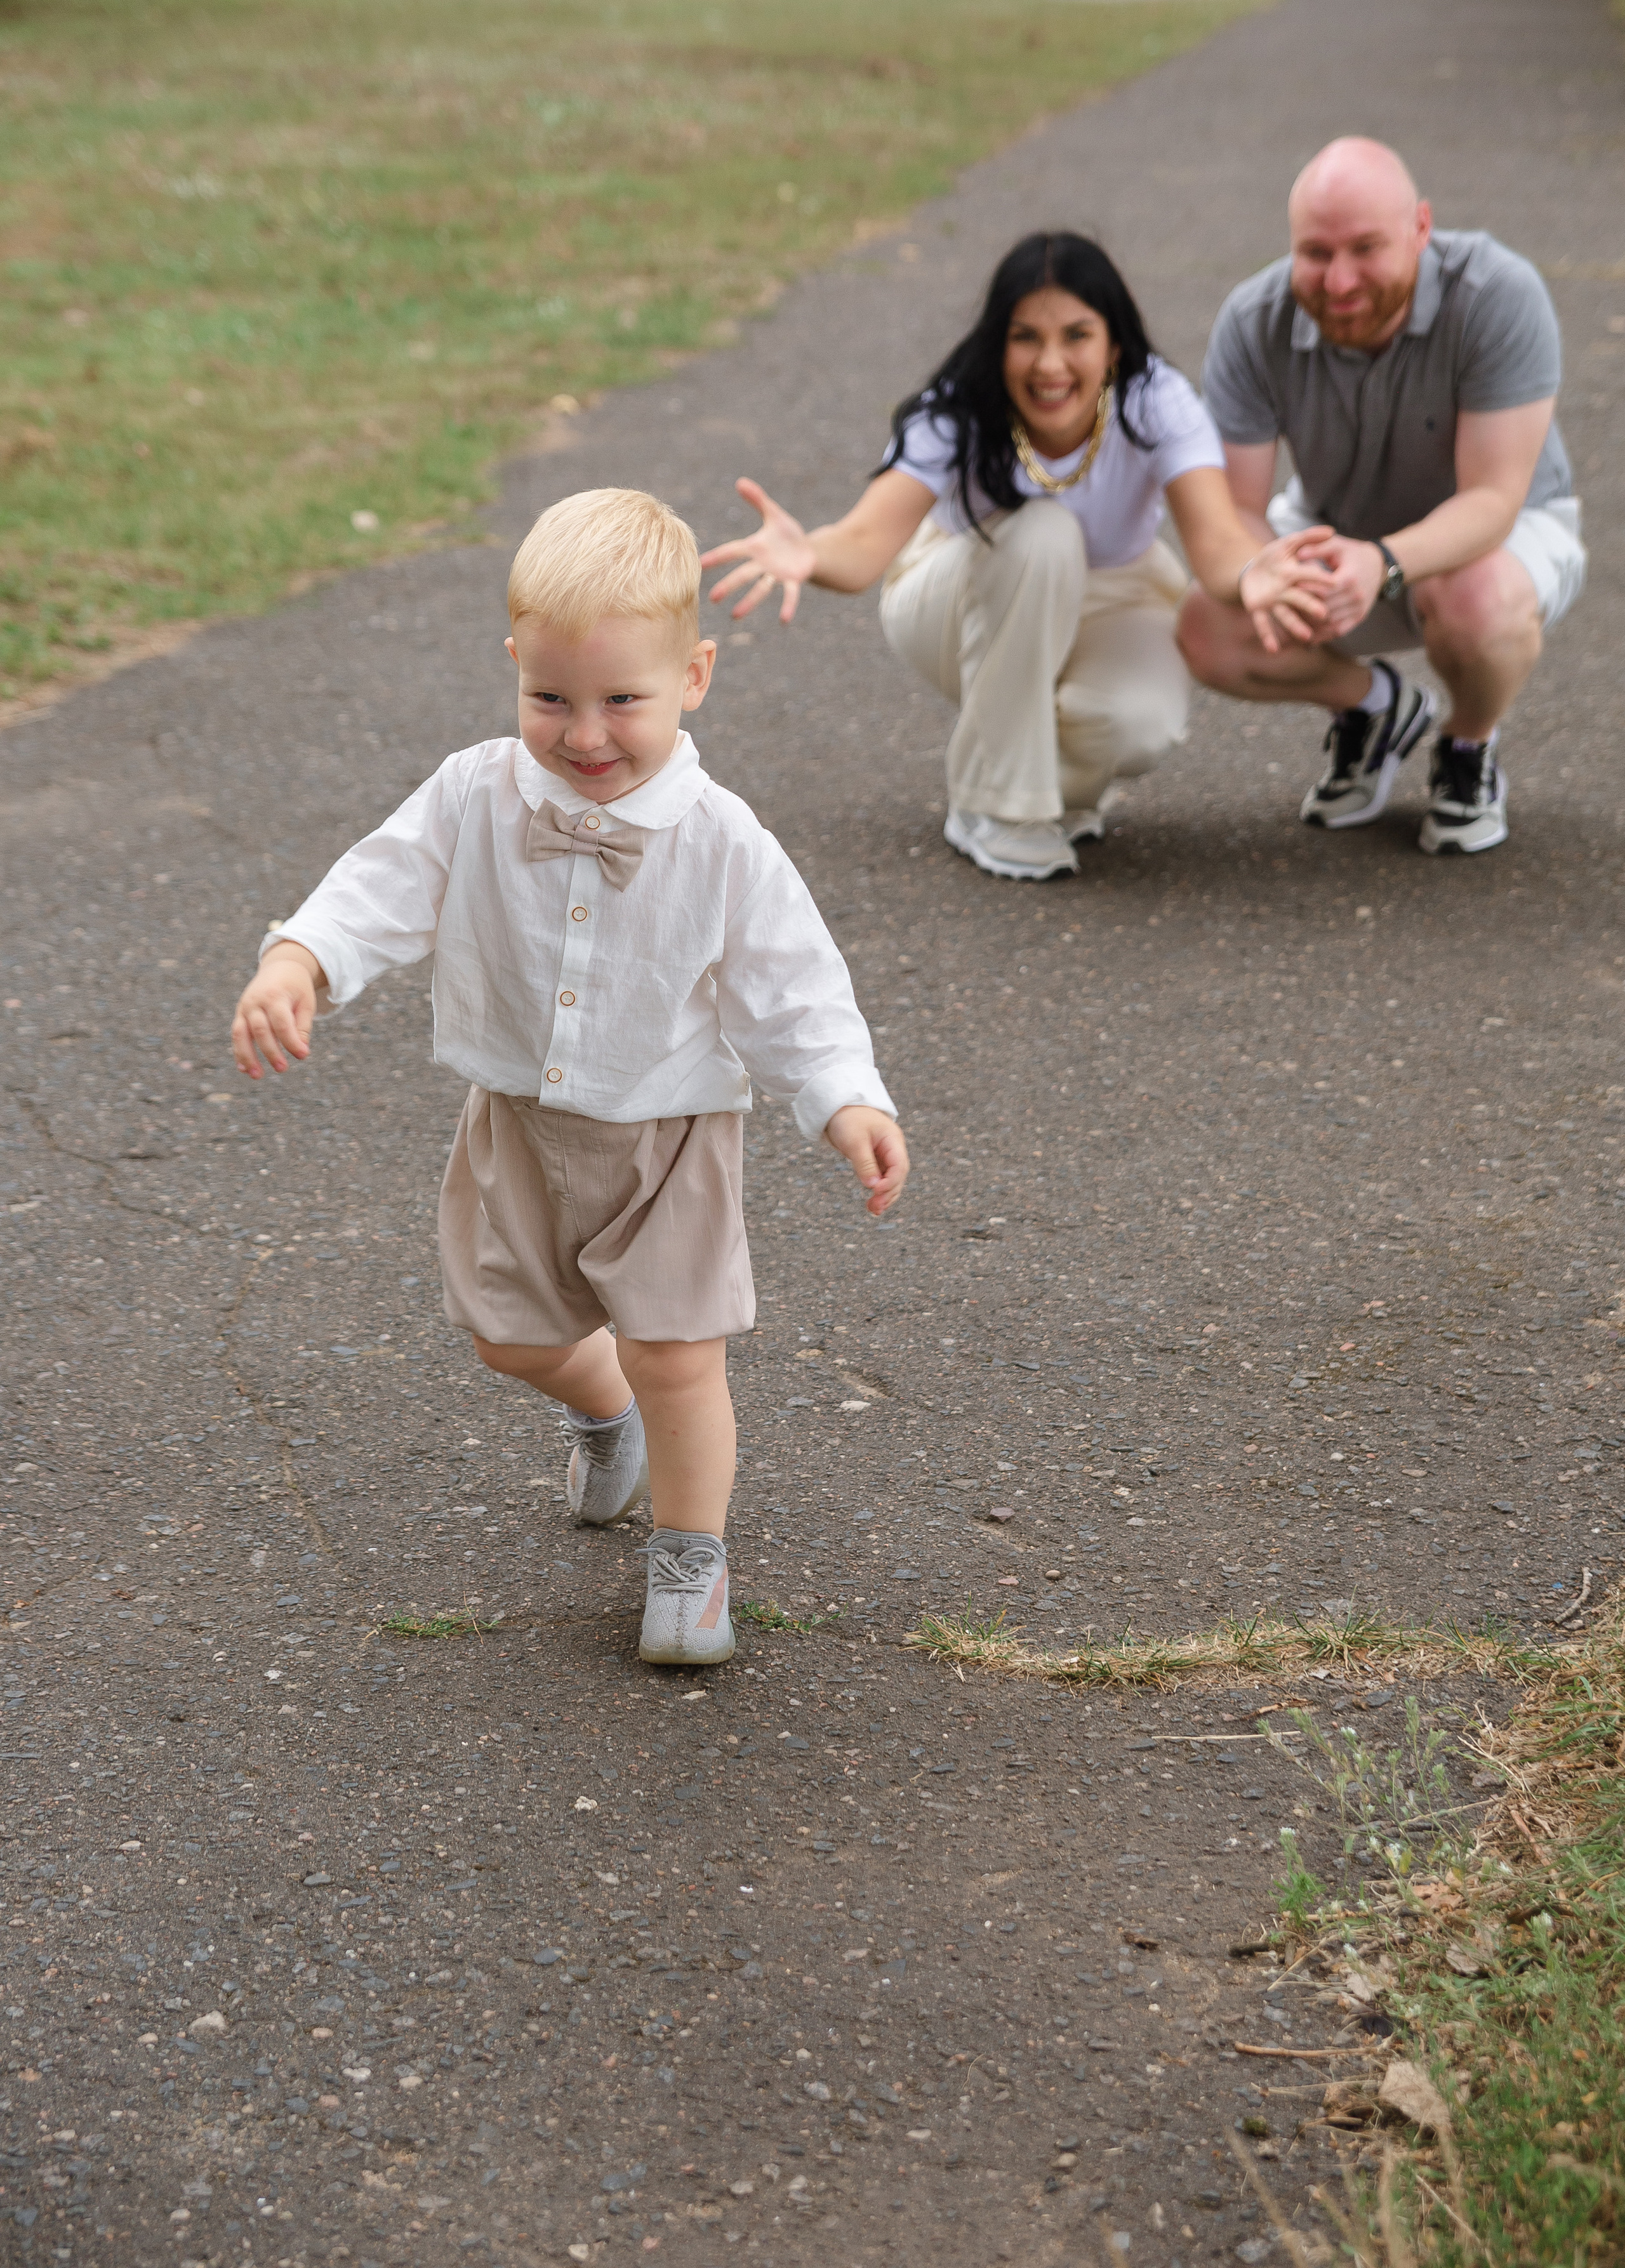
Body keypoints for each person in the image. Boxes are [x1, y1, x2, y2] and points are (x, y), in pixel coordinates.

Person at [228, 487, 907, 1670]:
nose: (587, 733)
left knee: (679, 1351)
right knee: (508, 1335)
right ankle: (606, 1415)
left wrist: (846, 1094)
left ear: (694, 675)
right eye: (552, 698)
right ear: (514, 669)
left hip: (670, 1133)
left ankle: (693, 1558)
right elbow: (378, 886)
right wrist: (301, 958)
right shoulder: (474, 794)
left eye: (622, 700)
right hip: (520, 1121)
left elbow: (794, 984)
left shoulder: (725, 840)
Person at [699, 230, 1331, 882]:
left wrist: (1258, 568)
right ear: (997, 340)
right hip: (959, 588)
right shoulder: (959, 409)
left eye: (1076, 336)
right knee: (1043, 533)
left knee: (1140, 723)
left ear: (1113, 344)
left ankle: (1048, 792)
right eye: (1025, 336)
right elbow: (864, 545)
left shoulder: (1156, 400)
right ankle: (997, 809)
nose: (1049, 364)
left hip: (1118, 585)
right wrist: (807, 550)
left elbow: (1217, 540)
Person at [1179, 136, 1586, 855]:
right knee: (1208, 626)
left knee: (1472, 601)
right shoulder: (1252, 319)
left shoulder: (1497, 294)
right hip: (1337, 528)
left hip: (1502, 533)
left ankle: (1466, 744)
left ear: (1421, 229)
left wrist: (1383, 561)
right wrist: (1263, 573)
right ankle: (1376, 708)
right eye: (1315, 253)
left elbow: (1493, 499)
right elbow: (1235, 511)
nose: (1338, 281)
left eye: (1366, 249)